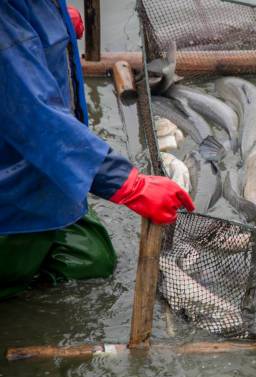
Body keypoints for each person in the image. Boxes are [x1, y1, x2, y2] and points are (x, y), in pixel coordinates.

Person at [0, 1, 195, 299]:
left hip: (44, 175)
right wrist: (129, 184)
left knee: (93, 261)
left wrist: (53, 16)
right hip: (10, 194)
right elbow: (38, 119)